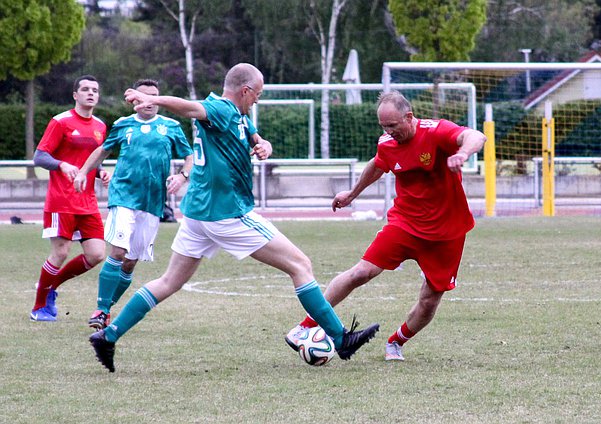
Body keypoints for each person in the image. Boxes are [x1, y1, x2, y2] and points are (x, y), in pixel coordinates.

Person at [88, 63, 379, 372]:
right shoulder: (220, 109)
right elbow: (191, 108)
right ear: (244, 91)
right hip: (225, 212)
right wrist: (157, 101)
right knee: (300, 265)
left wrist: (261, 143)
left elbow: (250, 132)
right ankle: (340, 338)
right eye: (258, 95)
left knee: (170, 281)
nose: (258, 100)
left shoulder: (237, 113)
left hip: (199, 212)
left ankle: (109, 335)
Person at [286, 90, 487, 361]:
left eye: (392, 126)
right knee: (361, 272)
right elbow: (377, 165)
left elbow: (476, 136)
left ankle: (396, 342)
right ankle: (305, 327)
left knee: (430, 300)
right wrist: (352, 193)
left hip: (446, 233)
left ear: (409, 117)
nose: (388, 132)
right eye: (383, 126)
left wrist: (462, 154)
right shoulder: (387, 143)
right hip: (404, 223)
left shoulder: (436, 132)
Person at [74, 79, 193, 330]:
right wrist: (84, 171)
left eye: (155, 96)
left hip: (152, 201)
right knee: (117, 252)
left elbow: (190, 156)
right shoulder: (122, 125)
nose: (151, 101)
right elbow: (102, 151)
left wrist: (182, 176)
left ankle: (107, 309)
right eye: (145, 96)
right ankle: (101, 309)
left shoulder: (171, 126)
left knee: (130, 261)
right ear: (135, 100)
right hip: (123, 195)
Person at [30, 75, 108, 322]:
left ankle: (53, 286)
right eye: (85, 89)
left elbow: (94, 160)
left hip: (87, 202)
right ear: (75, 95)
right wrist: (61, 165)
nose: (90, 93)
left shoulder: (100, 126)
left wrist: (101, 172)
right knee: (61, 252)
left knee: (96, 255)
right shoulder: (60, 121)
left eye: (94, 90)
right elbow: (39, 157)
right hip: (61, 201)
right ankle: (39, 307)